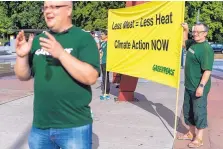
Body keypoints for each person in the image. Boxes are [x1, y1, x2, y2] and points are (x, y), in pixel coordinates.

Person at [14, 1, 100, 149]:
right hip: (40, 126)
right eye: (46, 7)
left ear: (69, 10)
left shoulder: (83, 38)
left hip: (74, 126)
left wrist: (61, 54)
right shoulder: (39, 40)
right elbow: (23, 75)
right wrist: (21, 56)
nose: (48, 11)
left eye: (54, 7)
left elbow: (91, 77)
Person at [178, 22, 214, 148]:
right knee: (188, 111)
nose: (195, 34)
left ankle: (199, 138)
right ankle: (191, 133)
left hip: (198, 87)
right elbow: (183, 44)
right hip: (188, 85)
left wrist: (201, 86)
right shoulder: (193, 43)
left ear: (205, 33)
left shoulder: (206, 49)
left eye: (198, 32)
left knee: (199, 112)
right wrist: (185, 30)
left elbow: (207, 70)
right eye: (194, 31)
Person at [99, 30, 110, 100]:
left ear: (106, 35)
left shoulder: (108, 43)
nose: (101, 35)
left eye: (102, 34)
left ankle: (106, 93)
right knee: (103, 76)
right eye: (101, 34)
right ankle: (104, 91)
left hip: (106, 61)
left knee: (106, 77)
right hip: (102, 61)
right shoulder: (102, 42)